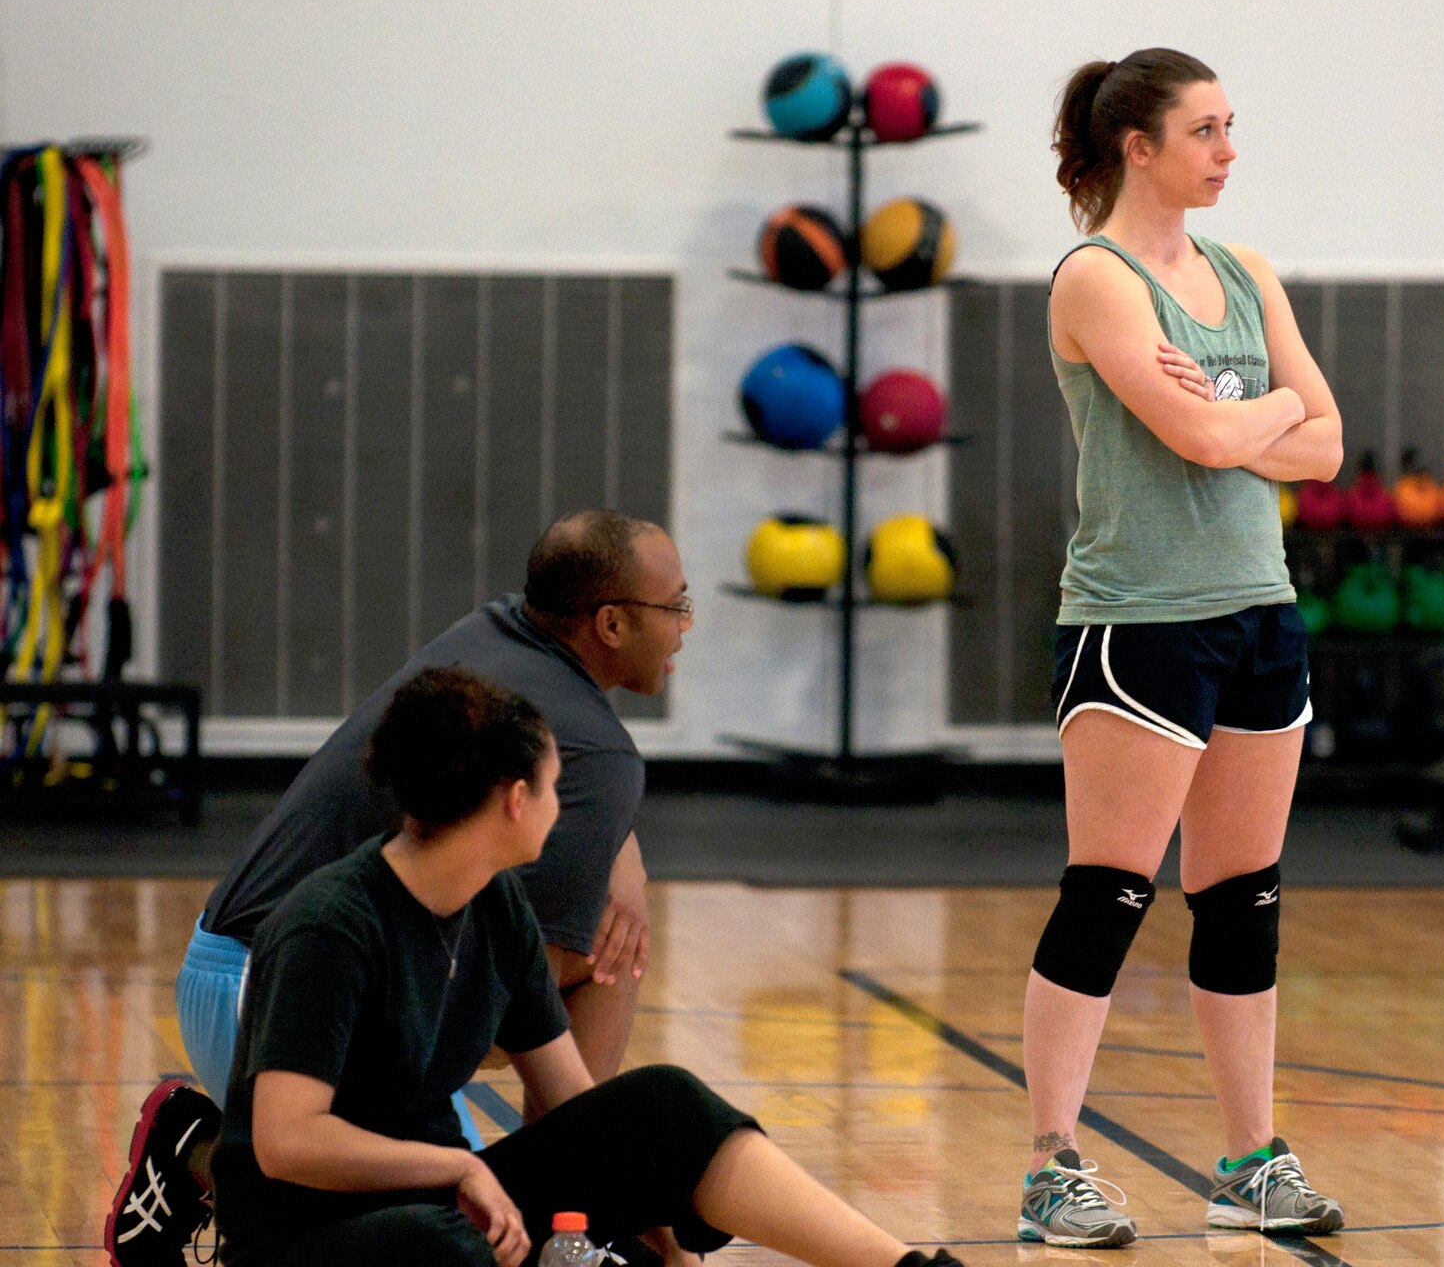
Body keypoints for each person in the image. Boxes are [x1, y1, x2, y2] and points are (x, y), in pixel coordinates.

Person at [154, 666, 964, 1267]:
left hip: (448, 1198)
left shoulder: (497, 904)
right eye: (554, 783)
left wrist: (653, 1202)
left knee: (662, 1106)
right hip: (315, 1234)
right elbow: (289, 1145)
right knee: (441, 1247)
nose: (564, 800)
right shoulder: (329, 925)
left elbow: (577, 1111)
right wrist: (455, 1165)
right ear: (513, 799)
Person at [107, 509, 688, 1265]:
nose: (684, 625)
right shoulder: (601, 755)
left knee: (589, 952)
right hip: (275, 1000)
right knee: (600, 969)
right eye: (675, 605)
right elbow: (510, 996)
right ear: (611, 623)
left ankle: (564, 1211)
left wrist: (627, 863)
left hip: (221, 967)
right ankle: (205, 1157)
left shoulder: (499, 635)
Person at [1016, 49, 1347, 1248]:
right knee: (1107, 894)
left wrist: (1231, 412)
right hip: (1137, 622)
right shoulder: (1092, 281)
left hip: (1258, 610)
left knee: (1241, 900)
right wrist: (1254, 417)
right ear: (1136, 148)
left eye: (1229, 125)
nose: (1227, 150)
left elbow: (1326, 442)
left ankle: (1248, 1162)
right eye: (1203, 130)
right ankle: (1052, 1165)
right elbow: (1219, 436)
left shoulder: (1243, 271)